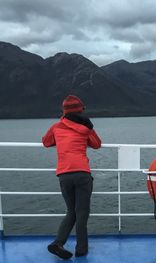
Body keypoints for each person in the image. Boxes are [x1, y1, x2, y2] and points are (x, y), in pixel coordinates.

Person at [42, 95, 101, 259]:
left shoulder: (57, 127)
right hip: (82, 173)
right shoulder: (85, 127)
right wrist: (89, 127)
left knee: (71, 212)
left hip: (64, 174)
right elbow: (97, 144)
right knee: (82, 213)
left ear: (64, 111)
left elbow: (46, 142)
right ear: (81, 111)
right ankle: (81, 249)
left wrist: (61, 136)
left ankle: (58, 243)